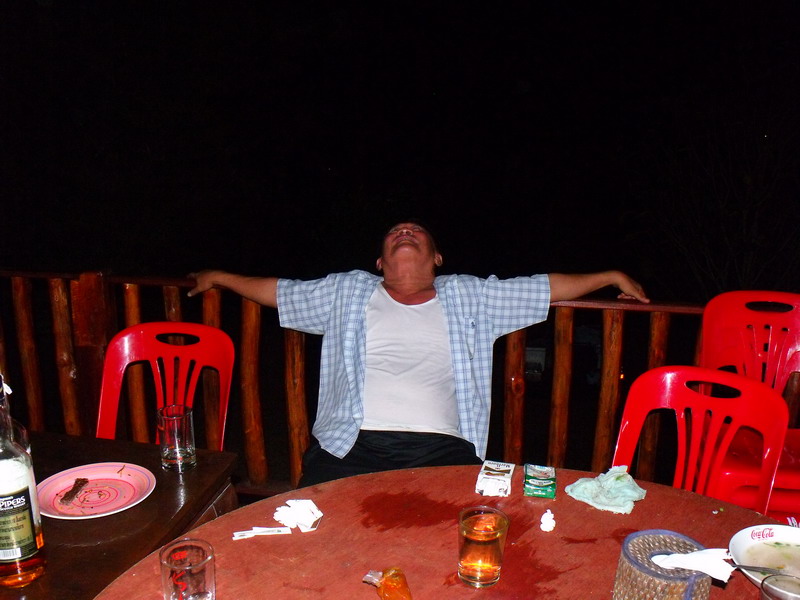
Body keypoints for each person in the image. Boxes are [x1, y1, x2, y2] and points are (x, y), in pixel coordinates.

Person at [189, 221, 649, 486]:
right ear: (380, 263)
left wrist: (609, 275)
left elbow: (544, 287)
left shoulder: (470, 296)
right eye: (395, 233)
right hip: (350, 445)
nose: (404, 231)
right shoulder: (347, 291)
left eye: (415, 232)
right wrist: (221, 277)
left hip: (442, 447)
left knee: (450, 541)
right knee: (317, 534)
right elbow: (278, 291)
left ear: (437, 258)